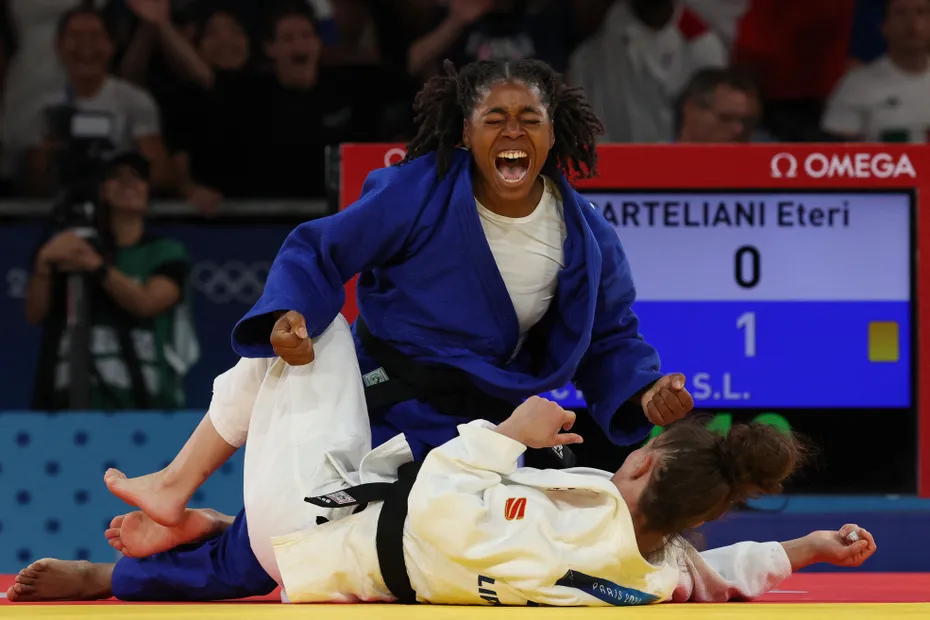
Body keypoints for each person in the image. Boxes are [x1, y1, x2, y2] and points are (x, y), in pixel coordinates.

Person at [102, 57, 695, 601]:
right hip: (378, 395)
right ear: (466, 132)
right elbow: (320, 250)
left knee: (337, 556)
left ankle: (153, 547)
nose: (512, 132)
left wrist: (644, 392)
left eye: (528, 119)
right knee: (285, 540)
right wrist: (291, 316)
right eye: (495, 118)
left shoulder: (586, 235)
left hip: (479, 429)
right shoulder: (420, 190)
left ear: (552, 132)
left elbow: (610, 335)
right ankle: (145, 534)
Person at [7, 317, 877, 604]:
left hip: (329, 521)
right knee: (335, 492)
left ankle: (179, 485)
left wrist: (509, 434)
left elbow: (440, 507)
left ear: (645, 470)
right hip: (345, 538)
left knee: (310, 322)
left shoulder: (569, 512)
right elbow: (701, 572)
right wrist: (800, 553)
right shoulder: (644, 578)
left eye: (637, 456)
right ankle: (197, 531)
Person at [24, 151, 198, 410]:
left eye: (137, 178)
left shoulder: (166, 251)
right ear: (102, 192)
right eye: (117, 177)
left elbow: (147, 303)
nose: (128, 184)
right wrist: (43, 263)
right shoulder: (70, 249)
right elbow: (35, 314)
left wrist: (94, 265)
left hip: (146, 404)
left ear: (148, 191)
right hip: (67, 404)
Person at [821, 0, 930, 142]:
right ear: (885, 26)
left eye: (920, 12)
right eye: (901, 13)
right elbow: (839, 153)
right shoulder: (856, 85)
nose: (912, 23)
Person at [676, 68, 760, 143]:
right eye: (726, 118)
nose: (739, 130)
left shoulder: (764, 159)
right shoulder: (663, 159)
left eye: (747, 121)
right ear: (691, 110)